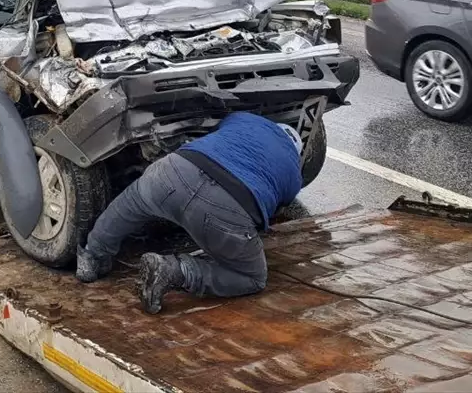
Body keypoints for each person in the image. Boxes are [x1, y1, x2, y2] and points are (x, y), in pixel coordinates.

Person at [76, 111, 304, 315]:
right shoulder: (294, 175)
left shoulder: (248, 120)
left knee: (130, 203)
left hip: (175, 170)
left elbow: (217, 125)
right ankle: (175, 271)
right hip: (225, 205)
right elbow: (270, 210)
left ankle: (91, 256)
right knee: (252, 278)